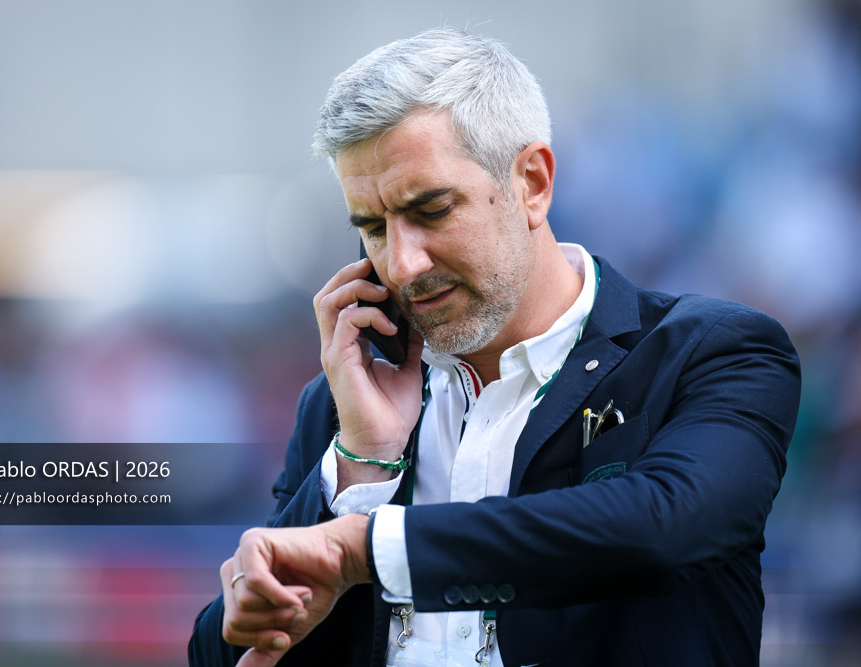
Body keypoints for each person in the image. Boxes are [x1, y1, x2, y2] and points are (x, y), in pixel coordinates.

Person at [188, 27, 801, 667]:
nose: (400, 263)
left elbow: (661, 528)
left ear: (532, 182)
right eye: (371, 227)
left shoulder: (712, 351)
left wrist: (363, 548)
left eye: (431, 210)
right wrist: (363, 468)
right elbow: (217, 651)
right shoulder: (345, 403)